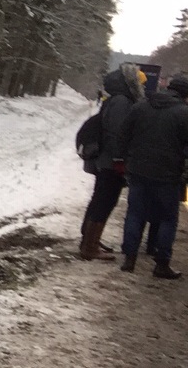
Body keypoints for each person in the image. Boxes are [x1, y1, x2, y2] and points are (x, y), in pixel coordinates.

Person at [116, 75, 188, 278]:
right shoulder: (184, 113)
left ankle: (129, 259)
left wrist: (127, 160)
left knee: (135, 214)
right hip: (169, 175)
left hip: (138, 171)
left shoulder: (141, 106)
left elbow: (123, 134)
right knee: (167, 219)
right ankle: (162, 263)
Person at [80, 65, 144, 260]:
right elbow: (117, 133)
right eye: (140, 83)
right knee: (105, 200)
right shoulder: (122, 102)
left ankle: (89, 241)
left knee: (101, 199)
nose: (141, 86)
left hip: (107, 159)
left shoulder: (117, 99)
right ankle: (89, 246)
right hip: (111, 161)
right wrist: (120, 159)